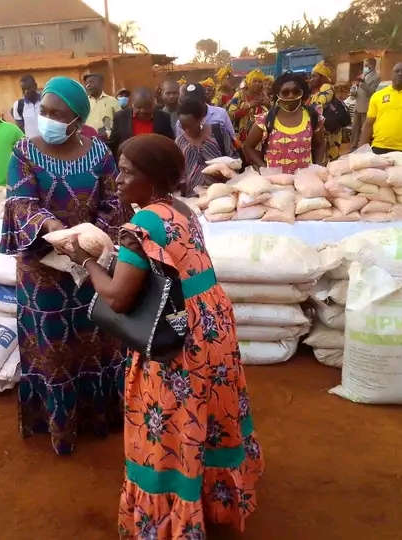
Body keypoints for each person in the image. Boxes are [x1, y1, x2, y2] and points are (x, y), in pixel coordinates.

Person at [52, 133, 263, 538]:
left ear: (151, 178)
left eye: (127, 173)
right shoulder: (182, 208)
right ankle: (214, 498)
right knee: (211, 407)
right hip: (212, 321)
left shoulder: (142, 224)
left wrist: (84, 260)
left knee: (169, 417)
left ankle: (172, 515)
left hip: (179, 335)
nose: (117, 180)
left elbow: (117, 298)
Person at [0, 76, 132, 456]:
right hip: (43, 270)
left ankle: (100, 417)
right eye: (45, 111)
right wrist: (55, 229)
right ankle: (60, 426)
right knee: (53, 347)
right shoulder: (24, 152)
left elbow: (114, 201)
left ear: (77, 119)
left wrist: (91, 239)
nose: (49, 119)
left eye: (58, 114)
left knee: (98, 340)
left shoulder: (100, 152)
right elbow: (21, 202)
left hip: (92, 264)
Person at [243, 72, 326, 173]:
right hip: (275, 181)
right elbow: (248, 147)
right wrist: (264, 168)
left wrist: (317, 167)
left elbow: (320, 144)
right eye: (285, 93)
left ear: (302, 93)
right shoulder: (266, 120)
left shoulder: (313, 117)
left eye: (295, 92)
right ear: (278, 94)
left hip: (305, 180)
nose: (291, 96)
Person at [357, 63, 402, 154]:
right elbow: (368, 124)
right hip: (378, 147)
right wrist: (362, 149)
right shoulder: (378, 95)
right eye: (396, 71)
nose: (400, 73)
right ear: (391, 74)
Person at [176, 98, 240, 196]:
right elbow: (180, 173)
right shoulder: (180, 142)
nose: (186, 130)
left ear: (201, 120)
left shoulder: (219, 132)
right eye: (183, 126)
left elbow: (235, 160)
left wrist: (225, 173)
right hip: (192, 198)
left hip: (223, 194)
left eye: (190, 126)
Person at [109, 86, 174, 156]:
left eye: (147, 107)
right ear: (132, 105)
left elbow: (170, 144)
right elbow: (113, 144)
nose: (143, 111)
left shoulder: (163, 118)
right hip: (128, 159)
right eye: (139, 107)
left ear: (153, 104)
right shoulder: (120, 117)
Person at [307, 61, 340, 163]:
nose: (312, 79)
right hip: (321, 129)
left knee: (329, 158)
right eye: (311, 77)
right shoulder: (315, 91)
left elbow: (319, 105)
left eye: (314, 76)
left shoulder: (326, 87)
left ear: (322, 77)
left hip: (329, 130)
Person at [228, 70, 269, 143]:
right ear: (248, 82)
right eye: (254, 81)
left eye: (260, 82)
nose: (257, 84)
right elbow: (231, 115)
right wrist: (249, 105)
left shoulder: (263, 95)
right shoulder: (239, 95)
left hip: (260, 138)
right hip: (241, 136)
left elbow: (271, 112)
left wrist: (265, 104)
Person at [352, 57, 381, 147]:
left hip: (366, 107)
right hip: (357, 106)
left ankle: (364, 148)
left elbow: (372, 91)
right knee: (354, 129)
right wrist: (354, 91)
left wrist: (363, 83)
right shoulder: (363, 74)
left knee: (365, 130)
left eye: (367, 65)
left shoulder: (376, 77)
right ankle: (353, 147)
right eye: (365, 65)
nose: (365, 67)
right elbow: (358, 88)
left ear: (373, 65)